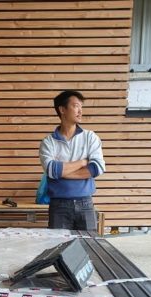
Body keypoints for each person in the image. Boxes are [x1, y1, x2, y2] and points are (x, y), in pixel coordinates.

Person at [39, 90, 105, 231]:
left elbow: (96, 169)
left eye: (81, 107)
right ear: (62, 109)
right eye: (76, 106)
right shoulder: (48, 142)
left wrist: (61, 172)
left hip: (86, 203)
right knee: (58, 247)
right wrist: (82, 162)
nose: (80, 111)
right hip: (58, 206)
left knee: (89, 246)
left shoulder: (90, 137)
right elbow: (52, 170)